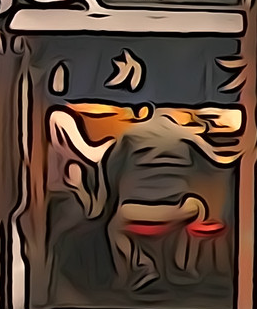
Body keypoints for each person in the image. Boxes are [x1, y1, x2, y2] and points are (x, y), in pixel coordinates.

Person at [49, 106, 234, 292]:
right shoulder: (185, 135)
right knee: (199, 208)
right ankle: (184, 266)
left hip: (134, 210)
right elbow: (217, 160)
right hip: (177, 210)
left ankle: (141, 267)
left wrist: (103, 198)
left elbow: (111, 168)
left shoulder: (130, 136)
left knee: (114, 228)